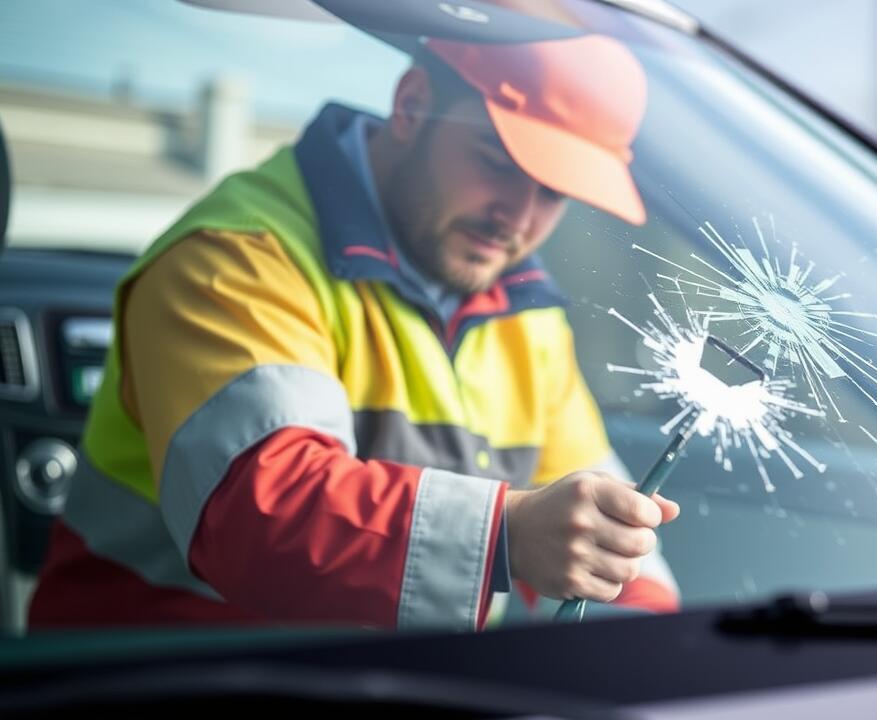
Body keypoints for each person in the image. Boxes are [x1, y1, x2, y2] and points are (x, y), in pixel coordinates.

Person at [28, 33, 681, 630]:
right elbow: (262, 517)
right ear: (412, 104)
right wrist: (505, 536)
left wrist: (651, 640)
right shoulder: (235, 256)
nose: (518, 218)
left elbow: (600, 518)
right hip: (152, 679)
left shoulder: (526, 311)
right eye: (497, 161)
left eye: (553, 193)